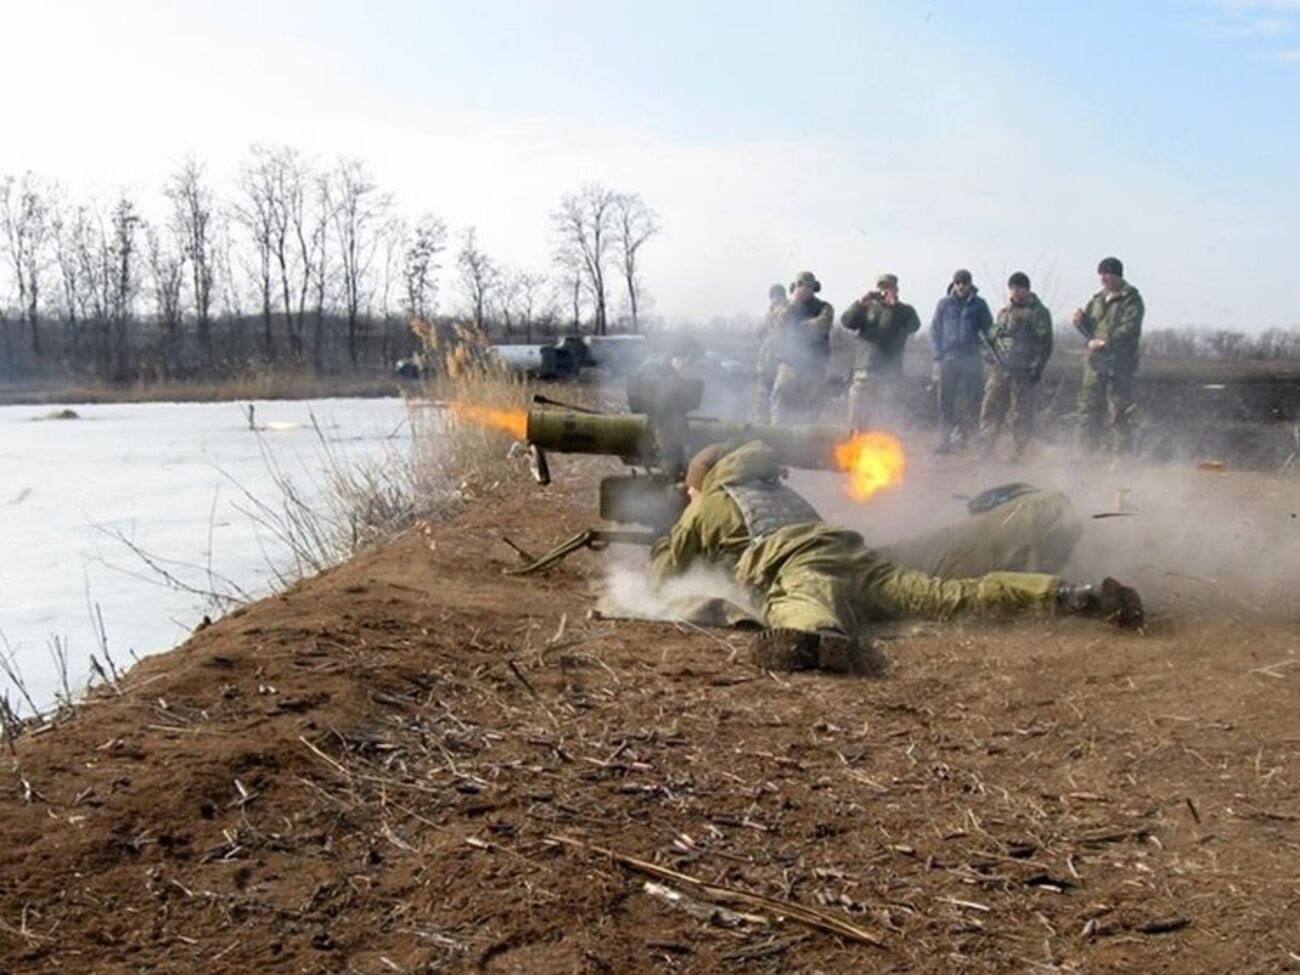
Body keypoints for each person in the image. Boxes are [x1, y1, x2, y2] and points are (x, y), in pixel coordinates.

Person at [650, 440, 1144, 672]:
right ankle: (1071, 596)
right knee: (949, 597)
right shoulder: (782, 492)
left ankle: (823, 642)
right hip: (857, 557)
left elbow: (668, 574)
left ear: (705, 481)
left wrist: (664, 537)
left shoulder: (712, 502)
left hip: (802, 569)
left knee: (797, 621)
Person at [1073, 257, 1144, 454]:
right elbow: (1091, 328)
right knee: (1088, 408)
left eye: (1107, 274)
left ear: (1117, 275)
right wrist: (1081, 322)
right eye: (1101, 274)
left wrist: (1107, 342)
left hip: (1119, 363)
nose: (1103, 278)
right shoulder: (1097, 300)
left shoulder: (1131, 299)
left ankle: (1121, 458)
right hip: (1095, 362)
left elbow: (1130, 327)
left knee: (1119, 411)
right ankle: (1086, 454)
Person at [979, 271, 1054, 458]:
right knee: (991, 407)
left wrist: (1037, 367)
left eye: (1018, 288)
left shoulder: (1038, 312)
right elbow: (995, 338)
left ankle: (1017, 452)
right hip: (1001, 369)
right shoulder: (1004, 313)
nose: (1014, 292)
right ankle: (987, 447)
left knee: (1020, 413)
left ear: (1026, 289)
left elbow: (1045, 342)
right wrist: (989, 354)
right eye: (1011, 288)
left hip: (1024, 370)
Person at [839, 273, 922, 429]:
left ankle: (881, 448)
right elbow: (846, 321)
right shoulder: (867, 308)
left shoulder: (904, 311)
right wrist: (859, 304)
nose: (883, 291)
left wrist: (893, 307)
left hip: (890, 373)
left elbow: (914, 326)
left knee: (885, 418)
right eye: (881, 287)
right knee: (858, 416)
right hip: (865, 370)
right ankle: (855, 447)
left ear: (896, 289)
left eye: (888, 287)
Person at [930, 269, 994, 452]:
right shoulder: (944, 304)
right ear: (954, 284)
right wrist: (938, 354)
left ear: (970, 284)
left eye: (964, 283)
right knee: (945, 401)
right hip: (948, 359)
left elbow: (988, 330)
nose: (961, 286)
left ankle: (973, 441)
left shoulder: (979, 305)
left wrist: (988, 352)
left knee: (973, 401)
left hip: (972, 359)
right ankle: (944, 441)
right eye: (958, 282)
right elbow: (935, 330)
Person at [767, 271, 834, 425]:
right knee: (780, 408)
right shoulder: (785, 307)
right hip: (789, 366)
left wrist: (797, 327)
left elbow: (823, 324)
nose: (805, 289)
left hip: (814, 367)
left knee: (811, 411)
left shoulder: (824, 307)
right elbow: (774, 324)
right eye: (801, 285)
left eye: (808, 286)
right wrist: (793, 304)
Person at [751, 284, 788, 423]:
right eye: (773, 297)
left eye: (779, 297)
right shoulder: (769, 315)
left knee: (778, 404)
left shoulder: (788, 312)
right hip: (765, 366)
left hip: (781, 366)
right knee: (761, 404)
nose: (776, 300)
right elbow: (760, 334)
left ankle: (776, 431)